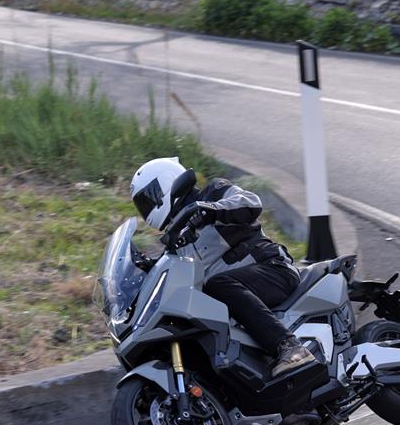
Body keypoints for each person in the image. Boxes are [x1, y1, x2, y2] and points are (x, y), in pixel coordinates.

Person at [130, 157, 316, 378]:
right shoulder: (175, 240)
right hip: (238, 295)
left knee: (218, 284)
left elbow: (250, 202)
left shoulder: (213, 192)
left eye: (147, 201)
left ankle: (290, 346)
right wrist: (141, 270)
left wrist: (213, 209)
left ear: (165, 186)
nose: (146, 209)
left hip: (272, 268)